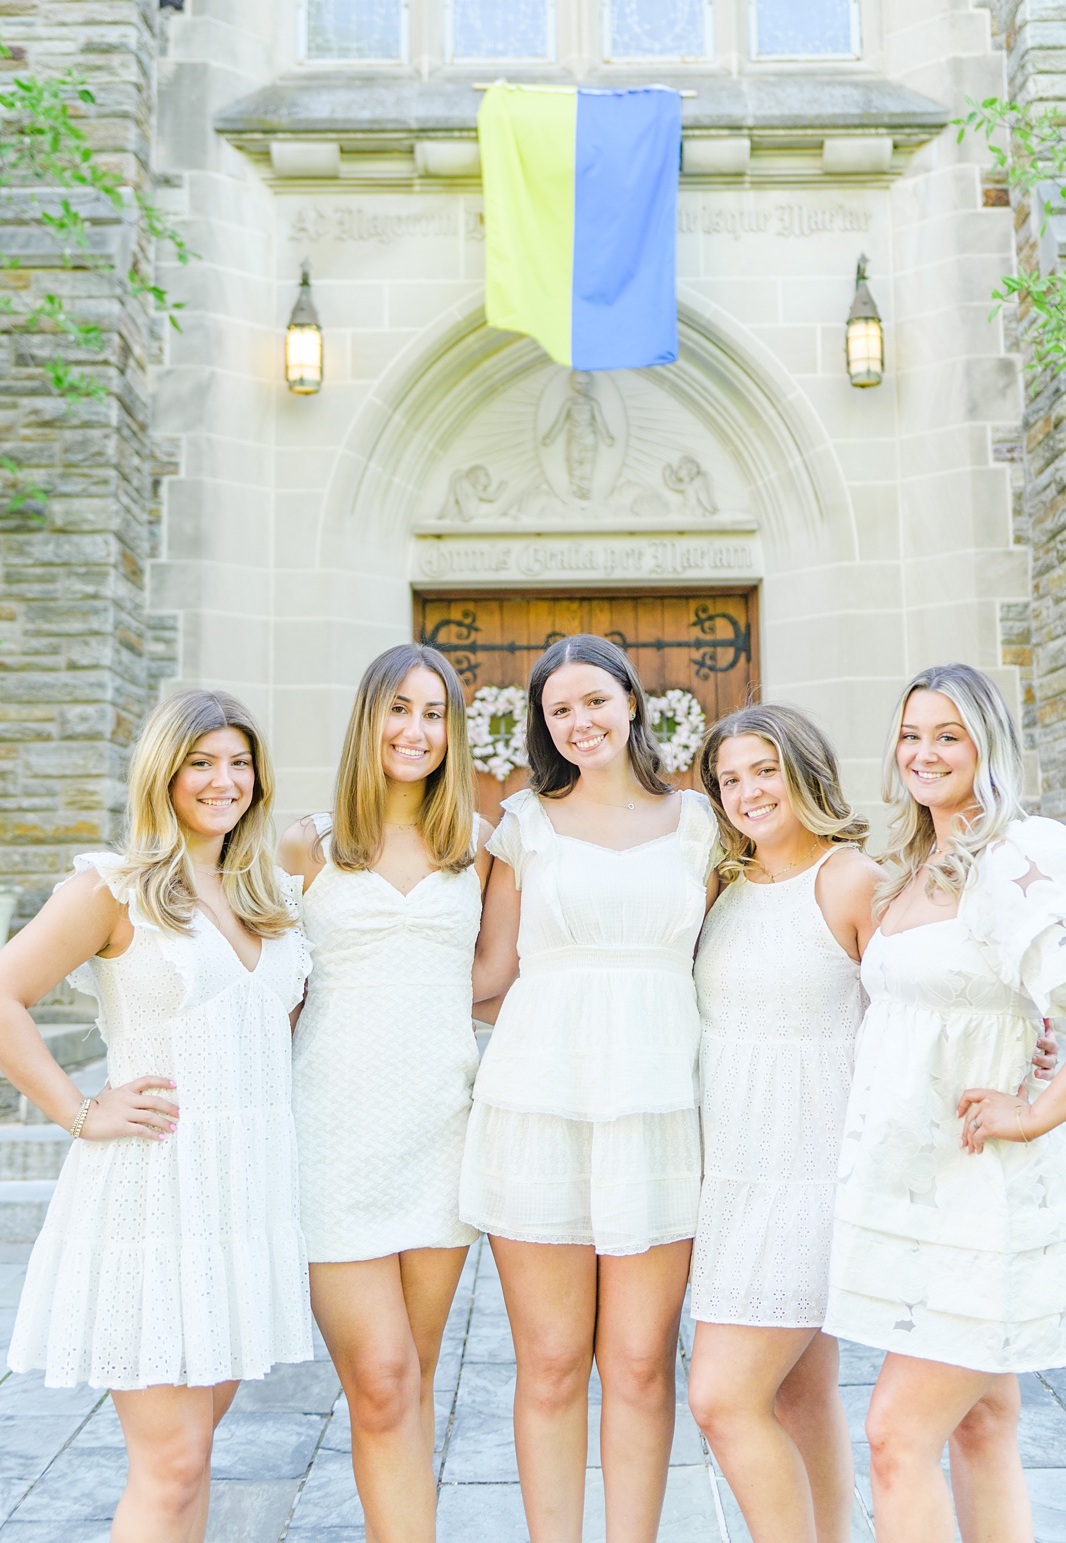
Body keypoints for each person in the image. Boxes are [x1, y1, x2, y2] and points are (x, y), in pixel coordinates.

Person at [683, 705, 1053, 1541]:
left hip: (812, 1175)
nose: (747, 792)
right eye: (730, 778)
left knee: (720, 1399)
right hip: (734, 1174)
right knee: (799, 1393)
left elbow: (931, 991)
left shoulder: (852, 879)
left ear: (804, 771)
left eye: (764, 770)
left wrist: (1021, 1040)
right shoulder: (724, 886)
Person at [826, 664, 1066, 1542]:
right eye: (911, 734)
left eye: (949, 735)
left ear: (987, 747)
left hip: (985, 1190)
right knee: (981, 1422)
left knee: (895, 1436)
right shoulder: (913, 860)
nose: (924, 753)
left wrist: (1037, 1109)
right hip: (917, 1182)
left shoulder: (1021, 853)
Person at [0, 688, 313, 1543]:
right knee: (168, 1467)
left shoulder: (270, 895)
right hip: (154, 1199)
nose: (222, 780)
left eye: (239, 763)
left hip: (243, 1206)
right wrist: (81, 1111)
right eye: (201, 762)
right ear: (163, 772)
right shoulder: (114, 887)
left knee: (195, 1457)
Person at [460, 634, 714, 1543]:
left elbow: (753, 952)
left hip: (658, 1105)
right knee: (555, 1362)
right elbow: (488, 971)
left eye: (594, 702)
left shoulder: (699, 823)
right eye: (559, 710)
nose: (579, 723)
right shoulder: (521, 824)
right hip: (541, 1098)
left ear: (632, 703)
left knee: (642, 1364)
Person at [277, 644, 492, 1543]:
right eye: (399, 710)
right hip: (335, 1136)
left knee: (414, 1379)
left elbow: (502, 973)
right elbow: (270, 995)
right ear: (368, 720)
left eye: (435, 713)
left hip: (442, 1130)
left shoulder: (479, 847)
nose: (416, 731)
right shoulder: (307, 845)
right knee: (380, 1380)